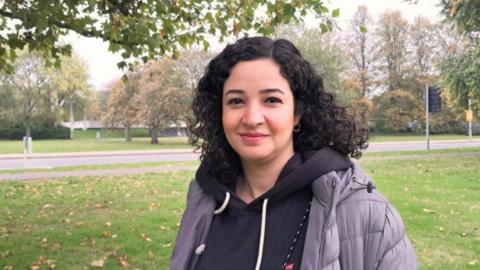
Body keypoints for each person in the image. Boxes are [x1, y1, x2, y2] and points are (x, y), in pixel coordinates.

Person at [171, 36, 417, 270]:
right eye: (236, 101)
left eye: (271, 100)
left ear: (297, 112)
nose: (252, 118)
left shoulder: (367, 214)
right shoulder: (204, 199)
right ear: (219, 112)